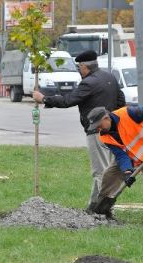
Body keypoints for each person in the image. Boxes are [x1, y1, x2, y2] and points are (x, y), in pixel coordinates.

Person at [32, 50, 126, 212]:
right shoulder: (110, 77)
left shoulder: (89, 82)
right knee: (106, 171)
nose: (79, 71)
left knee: (101, 173)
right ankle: (93, 207)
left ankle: (103, 209)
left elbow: (69, 100)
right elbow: (121, 101)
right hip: (111, 131)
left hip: (96, 132)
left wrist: (44, 99)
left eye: (79, 67)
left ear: (84, 67)